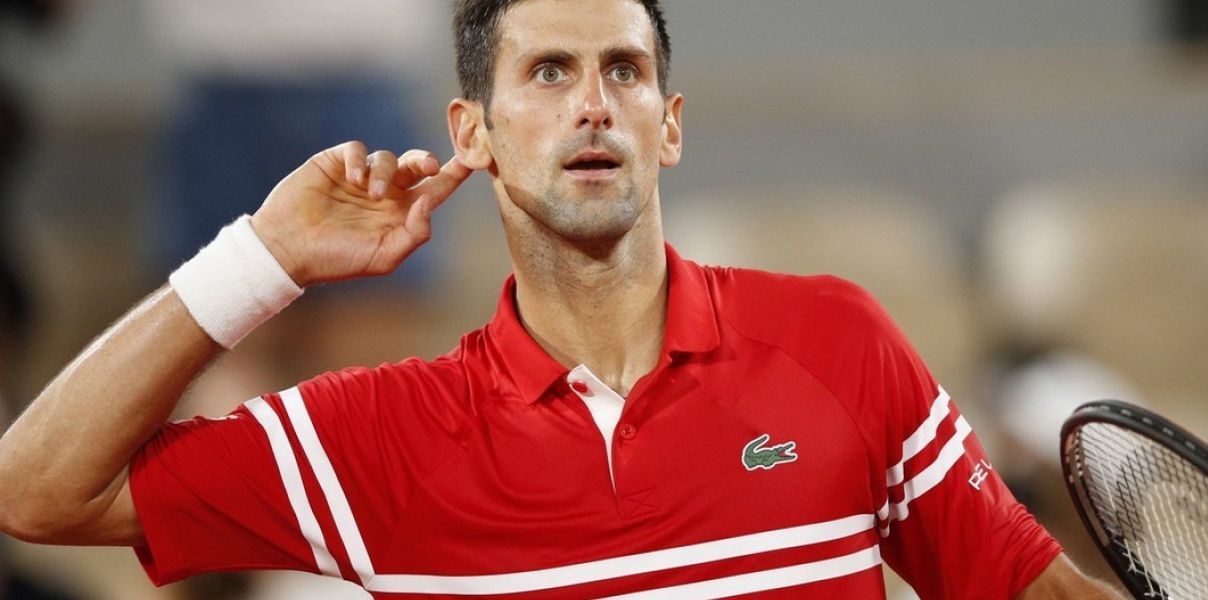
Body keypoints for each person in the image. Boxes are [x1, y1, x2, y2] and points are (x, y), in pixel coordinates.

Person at [0, 0, 1123, 597]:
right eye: (547, 72)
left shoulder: (838, 340)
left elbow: (1036, 594)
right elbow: (35, 490)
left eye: (623, 70)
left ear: (667, 126)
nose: (593, 104)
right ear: (473, 135)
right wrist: (262, 256)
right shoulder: (380, 437)